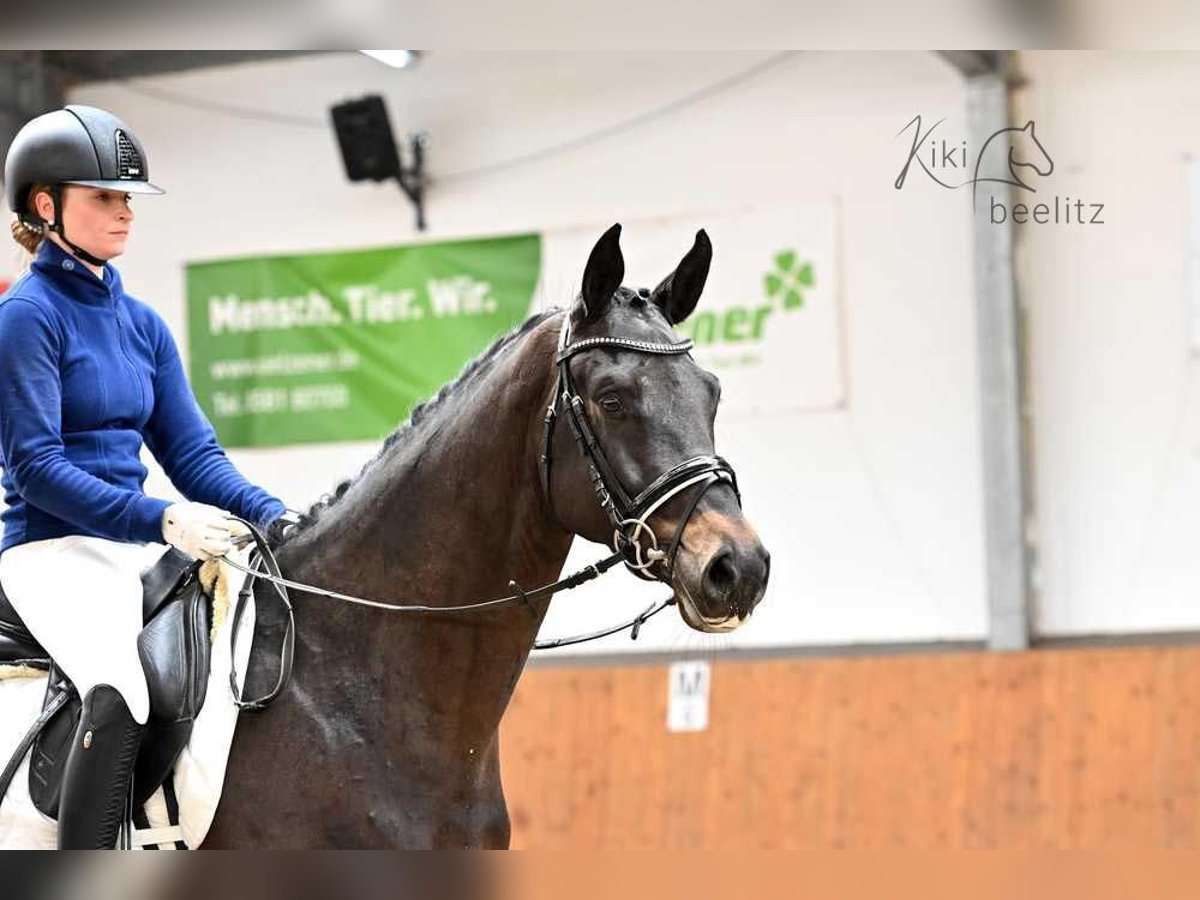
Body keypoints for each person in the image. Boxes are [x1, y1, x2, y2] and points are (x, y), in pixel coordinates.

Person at [0, 105, 290, 848]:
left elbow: (194, 457)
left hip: (133, 544)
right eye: (104, 196)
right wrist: (163, 520)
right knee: (121, 686)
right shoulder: (26, 318)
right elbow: (36, 468)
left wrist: (281, 518)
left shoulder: (144, 326)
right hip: (51, 549)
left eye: (128, 197)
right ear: (45, 204)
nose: (124, 211)